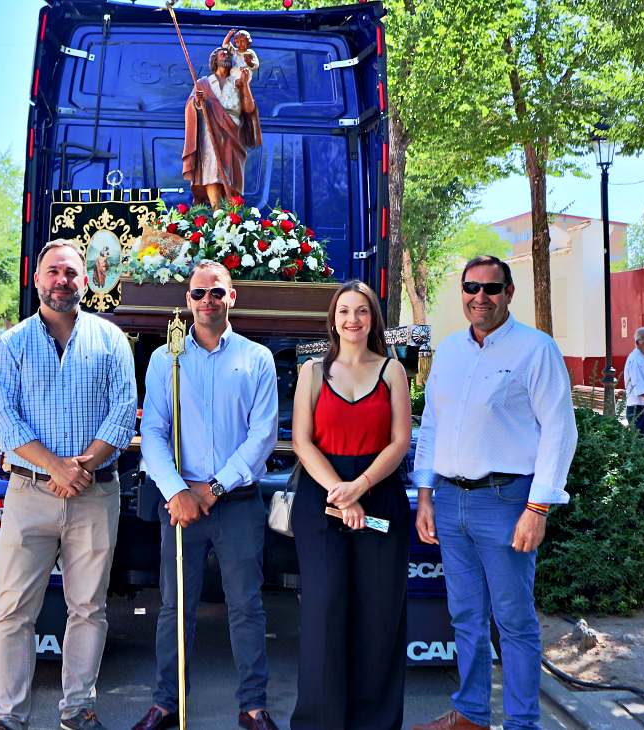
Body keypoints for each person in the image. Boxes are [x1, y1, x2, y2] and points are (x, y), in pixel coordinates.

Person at [412, 256, 577, 730]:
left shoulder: (535, 349)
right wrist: (426, 493)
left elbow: (559, 431)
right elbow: (434, 424)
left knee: (514, 622)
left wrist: (538, 507)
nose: (479, 296)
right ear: (462, 292)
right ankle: (472, 714)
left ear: (509, 293)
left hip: (507, 502)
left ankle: (523, 723)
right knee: (465, 615)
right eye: (471, 287)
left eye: (491, 288)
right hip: (450, 501)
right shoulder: (448, 351)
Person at [0, 240, 137, 730]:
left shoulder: (111, 340)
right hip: (29, 494)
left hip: (95, 494)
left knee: (89, 608)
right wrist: (55, 467)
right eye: (54, 272)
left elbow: (122, 411)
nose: (62, 281)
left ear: (87, 280)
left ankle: (77, 709)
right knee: (12, 612)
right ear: (37, 279)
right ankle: (11, 715)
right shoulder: (11, 343)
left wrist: (82, 467)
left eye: (72, 273)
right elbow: (3, 419)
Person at [135, 260, 279, 730]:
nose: (208, 301)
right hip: (180, 505)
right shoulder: (166, 359)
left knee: (246, 606)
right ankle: (166, 702)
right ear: (187, 300)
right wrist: (178, 491)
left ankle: (253, 706)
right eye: (199, 294)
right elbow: (153, 432)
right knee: (175, 608)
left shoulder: (257, 358)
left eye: (217, 292)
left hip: (235, 502)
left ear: (232, 297)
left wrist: (214, 488)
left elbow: (262, 436)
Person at [289, 280, 413, 730]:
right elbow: (301, 441)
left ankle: (375, 722)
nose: (352, 320)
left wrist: (359, 486)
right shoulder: (311, 371)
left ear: (373, 318)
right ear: (333, 318)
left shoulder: (392, 371)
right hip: (321, 498)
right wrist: (340, 493)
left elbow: (400, 442)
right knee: (324, 614)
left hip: (379, 494)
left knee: (379, 615)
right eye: (344, 311)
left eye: (362, 311)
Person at [182, 47, 262, 208]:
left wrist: (245, 85)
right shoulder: (203, 83)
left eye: (227, 54)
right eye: (221, 54)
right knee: (211, 170)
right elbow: (191, 106)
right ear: (215, 60)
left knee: (233, 174)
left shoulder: (237, 82)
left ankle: (232, 215)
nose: (225, 55)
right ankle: (216, 210)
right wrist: (198, 101)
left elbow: (248, 109)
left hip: (234, 133)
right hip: (210, 132)